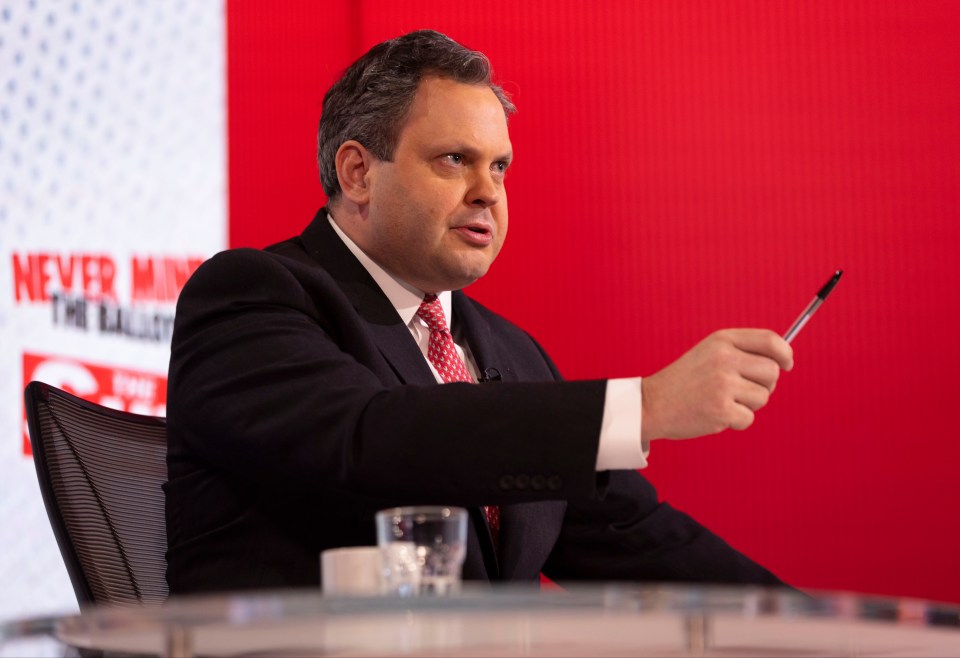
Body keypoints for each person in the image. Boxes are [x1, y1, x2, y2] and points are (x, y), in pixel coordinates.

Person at [165, 29, 794, 594]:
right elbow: (372, 439)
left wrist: (811, 626)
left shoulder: (509, 352)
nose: (488, 191)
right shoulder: (252, 295)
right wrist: (644, 406)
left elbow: (633, 537)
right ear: (357, 172)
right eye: (453, 160)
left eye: (499, 166)